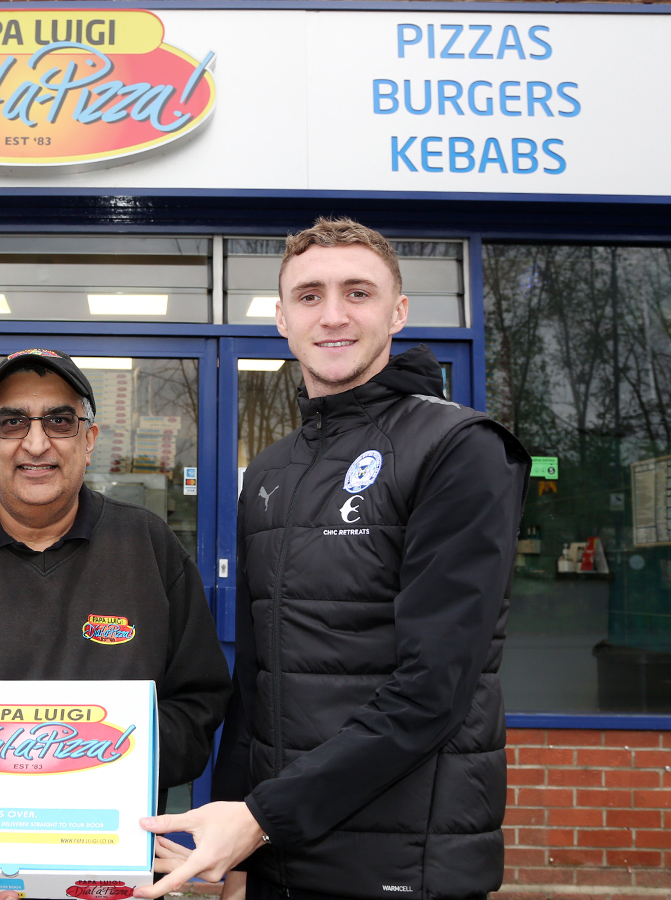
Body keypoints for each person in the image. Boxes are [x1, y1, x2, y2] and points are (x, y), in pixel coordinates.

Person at [137, 218, 529, 900]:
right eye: (310, 296)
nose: (334, 315)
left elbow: (433, 690)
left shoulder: (459, 448)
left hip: (404, 862)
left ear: (397, 312)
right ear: (283, 319)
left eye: (359, 292)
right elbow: (255, 687)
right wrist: (235, 846)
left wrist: (258, 820)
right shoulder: (268, 472)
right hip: (280, 854)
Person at [0, 348, 232, 853]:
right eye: (12, 422)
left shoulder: (148, 545)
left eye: (60, 421)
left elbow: (198, 704)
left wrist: (97, 760)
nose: (35, 444)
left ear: (89, 440)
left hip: (108, 854)